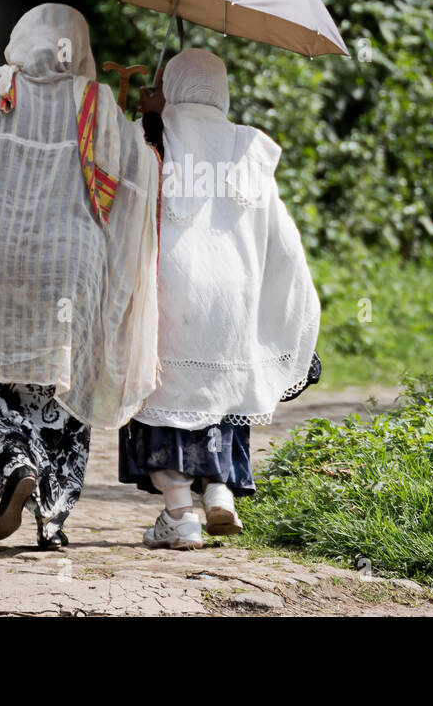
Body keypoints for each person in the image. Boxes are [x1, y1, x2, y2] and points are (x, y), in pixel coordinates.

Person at [0, 3, 161, 549]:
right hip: (64, 265)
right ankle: (52, 518)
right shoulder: (95, 102)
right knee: (62, 383)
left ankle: (16, 464)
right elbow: (134, 172)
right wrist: (146, 123)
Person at [120, 47, 321, 549]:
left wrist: (145, 114)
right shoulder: (249, 147)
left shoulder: (152, 136)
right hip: (236, 295)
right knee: (222, 394)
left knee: (161, 399)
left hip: (169, 290)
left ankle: (179, 514)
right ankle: (220, 492)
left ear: (174, 87)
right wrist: (293, 307)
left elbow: (122, 199)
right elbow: (284, 240)